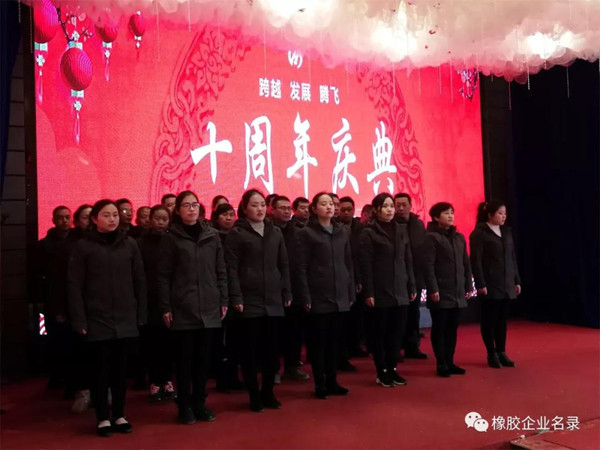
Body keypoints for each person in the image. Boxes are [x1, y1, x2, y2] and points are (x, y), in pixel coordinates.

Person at [68, 199, 147, 437]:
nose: (112, 219)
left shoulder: (130, 244)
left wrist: (140, 313)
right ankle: (102, 417)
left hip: (124, 316)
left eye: (114, 214)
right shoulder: (83, 246)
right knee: (100, 371)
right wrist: (79, 319)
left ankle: (120, 414)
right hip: (96, 317)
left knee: (121, 372)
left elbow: (139, 281)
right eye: (106, 215)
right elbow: (74, 286)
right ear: (95, 219)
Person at [158, 191, 228, 424]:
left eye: (195, 205)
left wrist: (223, 299)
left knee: (203, 360)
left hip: (209, 305)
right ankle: (184, 406)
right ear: (178, 211)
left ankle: (200, 403)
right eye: (186, 205)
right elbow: (163, 276)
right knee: (184, 361)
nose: (191, 209)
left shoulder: (212, 235)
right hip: (183, 306)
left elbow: (221, 271)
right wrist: (166, 306)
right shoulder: (170, 238)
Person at [225, 189, 291, 412]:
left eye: (263, 204)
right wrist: (236, 296)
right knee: (250, 352)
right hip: (248, 301)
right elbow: (231, 269)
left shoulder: (275, 232)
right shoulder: (237, 234)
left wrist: (287, 292)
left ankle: (268, 393)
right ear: (244, 209)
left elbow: (283, 264)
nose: (260, 209)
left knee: (272, 352)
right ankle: (254, 395)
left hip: (273, 299)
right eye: (254, 205)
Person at [297, 192, 355, 399]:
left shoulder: (342, 231)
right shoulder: (306, 233)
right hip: (318, 296)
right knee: (319, 344)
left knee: (334, 343)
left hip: (340, 295)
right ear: (314, 209)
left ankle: (332, 381)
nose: (329, 207)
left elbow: (348, 264)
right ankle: (320, 384)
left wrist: (350, 292)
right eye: (324, 204)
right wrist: (305, 296)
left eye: (331, 203)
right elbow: (301, 267)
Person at [360, 193, 417, 387]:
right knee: (380, 333)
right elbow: (366, 265)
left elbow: (407, 260)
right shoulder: (369, 232)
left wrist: (411, 285)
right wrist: (369, 292)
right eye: (385, 206)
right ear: (376, 210)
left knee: (397, 332)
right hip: (380, 289)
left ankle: (393, 368)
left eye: (391, 206)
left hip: (400, 288)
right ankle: (381, 370)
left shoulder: (401, 229)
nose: (390, 209)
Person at [421, 202, 472, 378]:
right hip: (440, 291)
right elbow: (428, 266)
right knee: (440, 328)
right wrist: (433, 288)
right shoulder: (431, 238)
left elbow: (466, 263)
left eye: (452, 213)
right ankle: (441, 363)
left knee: (452, 328)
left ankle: (450, 361)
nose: (450, 216)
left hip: (457, 290)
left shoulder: (458, 237)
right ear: (436, 217)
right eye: (446, 213)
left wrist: (468, 285)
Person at [50, 204, 93, 413]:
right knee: (77, 352)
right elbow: (58, 282)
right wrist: (59, 309)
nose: (89, 221)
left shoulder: (101, 242)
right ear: (77, 221)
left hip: (98, 308)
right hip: (74, 307)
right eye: (85, 217)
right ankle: (80, 391)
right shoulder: (67, 246)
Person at [469, 200, 521, 369]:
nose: (503, 216)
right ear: (490, 215)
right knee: (489, 320)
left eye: (505, 213)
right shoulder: (479, 233)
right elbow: (476, 261)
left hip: (506, 282)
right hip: (490, 283)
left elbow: (512, 258)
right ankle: (491, 353)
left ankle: (501, 351)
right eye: (500, 213)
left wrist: (516, 280)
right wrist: (480, 283)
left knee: (502, 320)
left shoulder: (506, 232)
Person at [136, 205, 176, 403]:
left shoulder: (173, 241)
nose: (161, 222)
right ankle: (154, 381)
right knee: (152, 343)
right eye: (157, 218)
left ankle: (167, 380)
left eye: (164, 219)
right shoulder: (140, 243)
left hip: (170, 298)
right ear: (150, 220)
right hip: (149, 300)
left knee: (169, 343)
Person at [271, 195, 310, 381]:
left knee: (294, 330)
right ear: (272, 210)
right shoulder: (268, 231)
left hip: (295, 286)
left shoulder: (298, 232)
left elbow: (302, 262)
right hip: (273, 288)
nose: (287, 211)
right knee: (274, 333)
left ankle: (292, 366)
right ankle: (273, 369)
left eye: (288, 208)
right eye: (282, 208)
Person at [36, 206, 72, 390]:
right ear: (53, 220)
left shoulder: (77, 242)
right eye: (60, 217)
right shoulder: (44, 245)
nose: (64, 221)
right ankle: (56, 375)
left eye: (67, 217)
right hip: (51, 299)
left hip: (72, 297)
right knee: (53, 338)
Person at [209, 202, 244, 392]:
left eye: (231, 214)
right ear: (216, 218)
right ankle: (221, 378)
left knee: (235, 340)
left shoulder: (238, 236)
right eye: (224, 215)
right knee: (219, 340)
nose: (229, 218)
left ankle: (233, 376)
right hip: (219, 293)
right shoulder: (212, 237)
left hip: (237, 292)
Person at [394, 193, 428, 359]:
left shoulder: (418, 224)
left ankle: (412, 347)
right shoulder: (391, 224)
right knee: (398, 315)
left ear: (410, 205)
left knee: (414, 313)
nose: (401, 208)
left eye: (404, 205)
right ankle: (395, 348)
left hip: (415, 275)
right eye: (397, 205)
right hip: (397, 276)